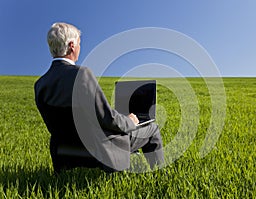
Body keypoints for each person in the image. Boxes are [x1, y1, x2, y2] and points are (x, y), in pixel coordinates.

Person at [34, 22, 164, 173]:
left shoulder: (40, 84)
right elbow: (106, 117)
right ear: (71, 46)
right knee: (152, 129)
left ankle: (130, 164)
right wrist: (130, 121)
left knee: (126, 128)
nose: (79, 48)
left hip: (65, 150)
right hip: (98, 148)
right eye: (79, 44)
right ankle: (160, 175)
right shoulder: (81, 74)